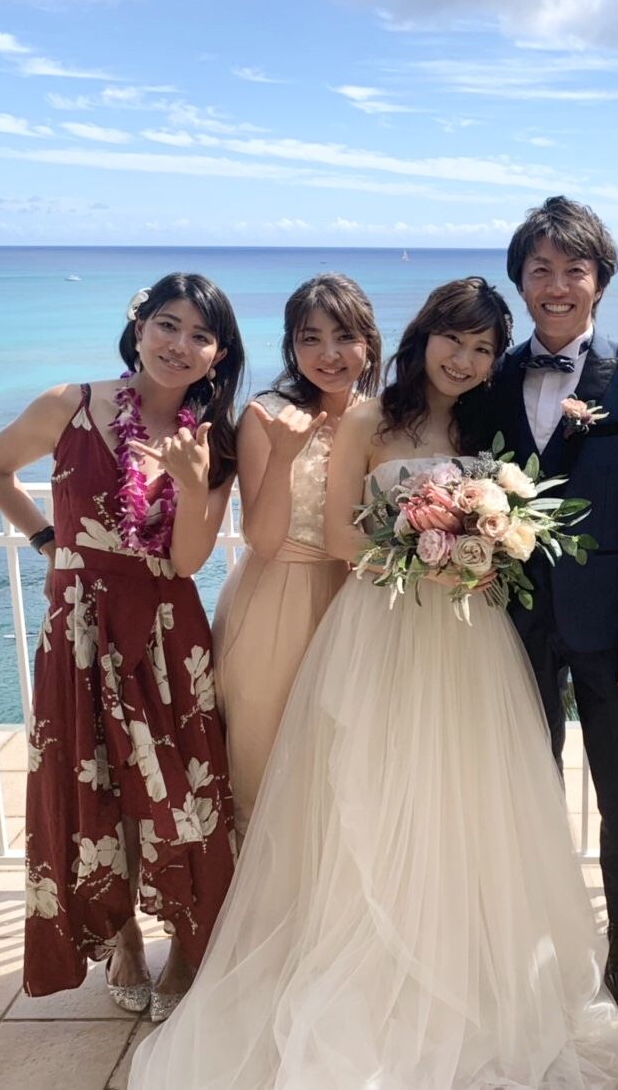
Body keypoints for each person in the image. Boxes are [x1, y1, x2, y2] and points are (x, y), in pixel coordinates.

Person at [128, 277, 618, 1089]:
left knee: (459, 788)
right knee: (367, 785)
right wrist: (426, 559)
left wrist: (485, 546)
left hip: (469, 633)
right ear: (423, 336)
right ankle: (367, 949)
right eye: (452, 339)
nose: (464, 359)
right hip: (386, 622)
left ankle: (457, 951)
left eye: (482, 348)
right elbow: (337, 536)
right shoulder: (369, 418)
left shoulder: (483, 422)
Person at [0, 273, 244, 1020]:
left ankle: (186, 940)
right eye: (167, 325)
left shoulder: (212, 439)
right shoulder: (69, 404)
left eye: (200, 335)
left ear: (219, 355)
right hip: (80, 629)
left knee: (178, 786)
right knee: (92, 780)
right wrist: (44, 539)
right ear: (139, 327)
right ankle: (121, 938)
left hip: (166, 629)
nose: (179, 345)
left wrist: (194, 484)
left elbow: (187, 561)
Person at [490, 196, 618, 1005]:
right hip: (511, 620)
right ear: (520, 282)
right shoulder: (492, 375)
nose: (558, 285)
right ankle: (535, 925)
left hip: (612, 625)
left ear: (600, 281)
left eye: (575, 269)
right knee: (526, 779)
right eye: (541, 270)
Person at [212, 273, 381, 835]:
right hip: (278, 597)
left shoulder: (380, 416)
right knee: (263, 762)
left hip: (355, 600)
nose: (329, 354)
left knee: (342, 770)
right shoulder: (267, 415)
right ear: (292, 346)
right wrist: (284, 456)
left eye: (345, 337)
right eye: (311, 338)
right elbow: (261, 539)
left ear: (368, 342)